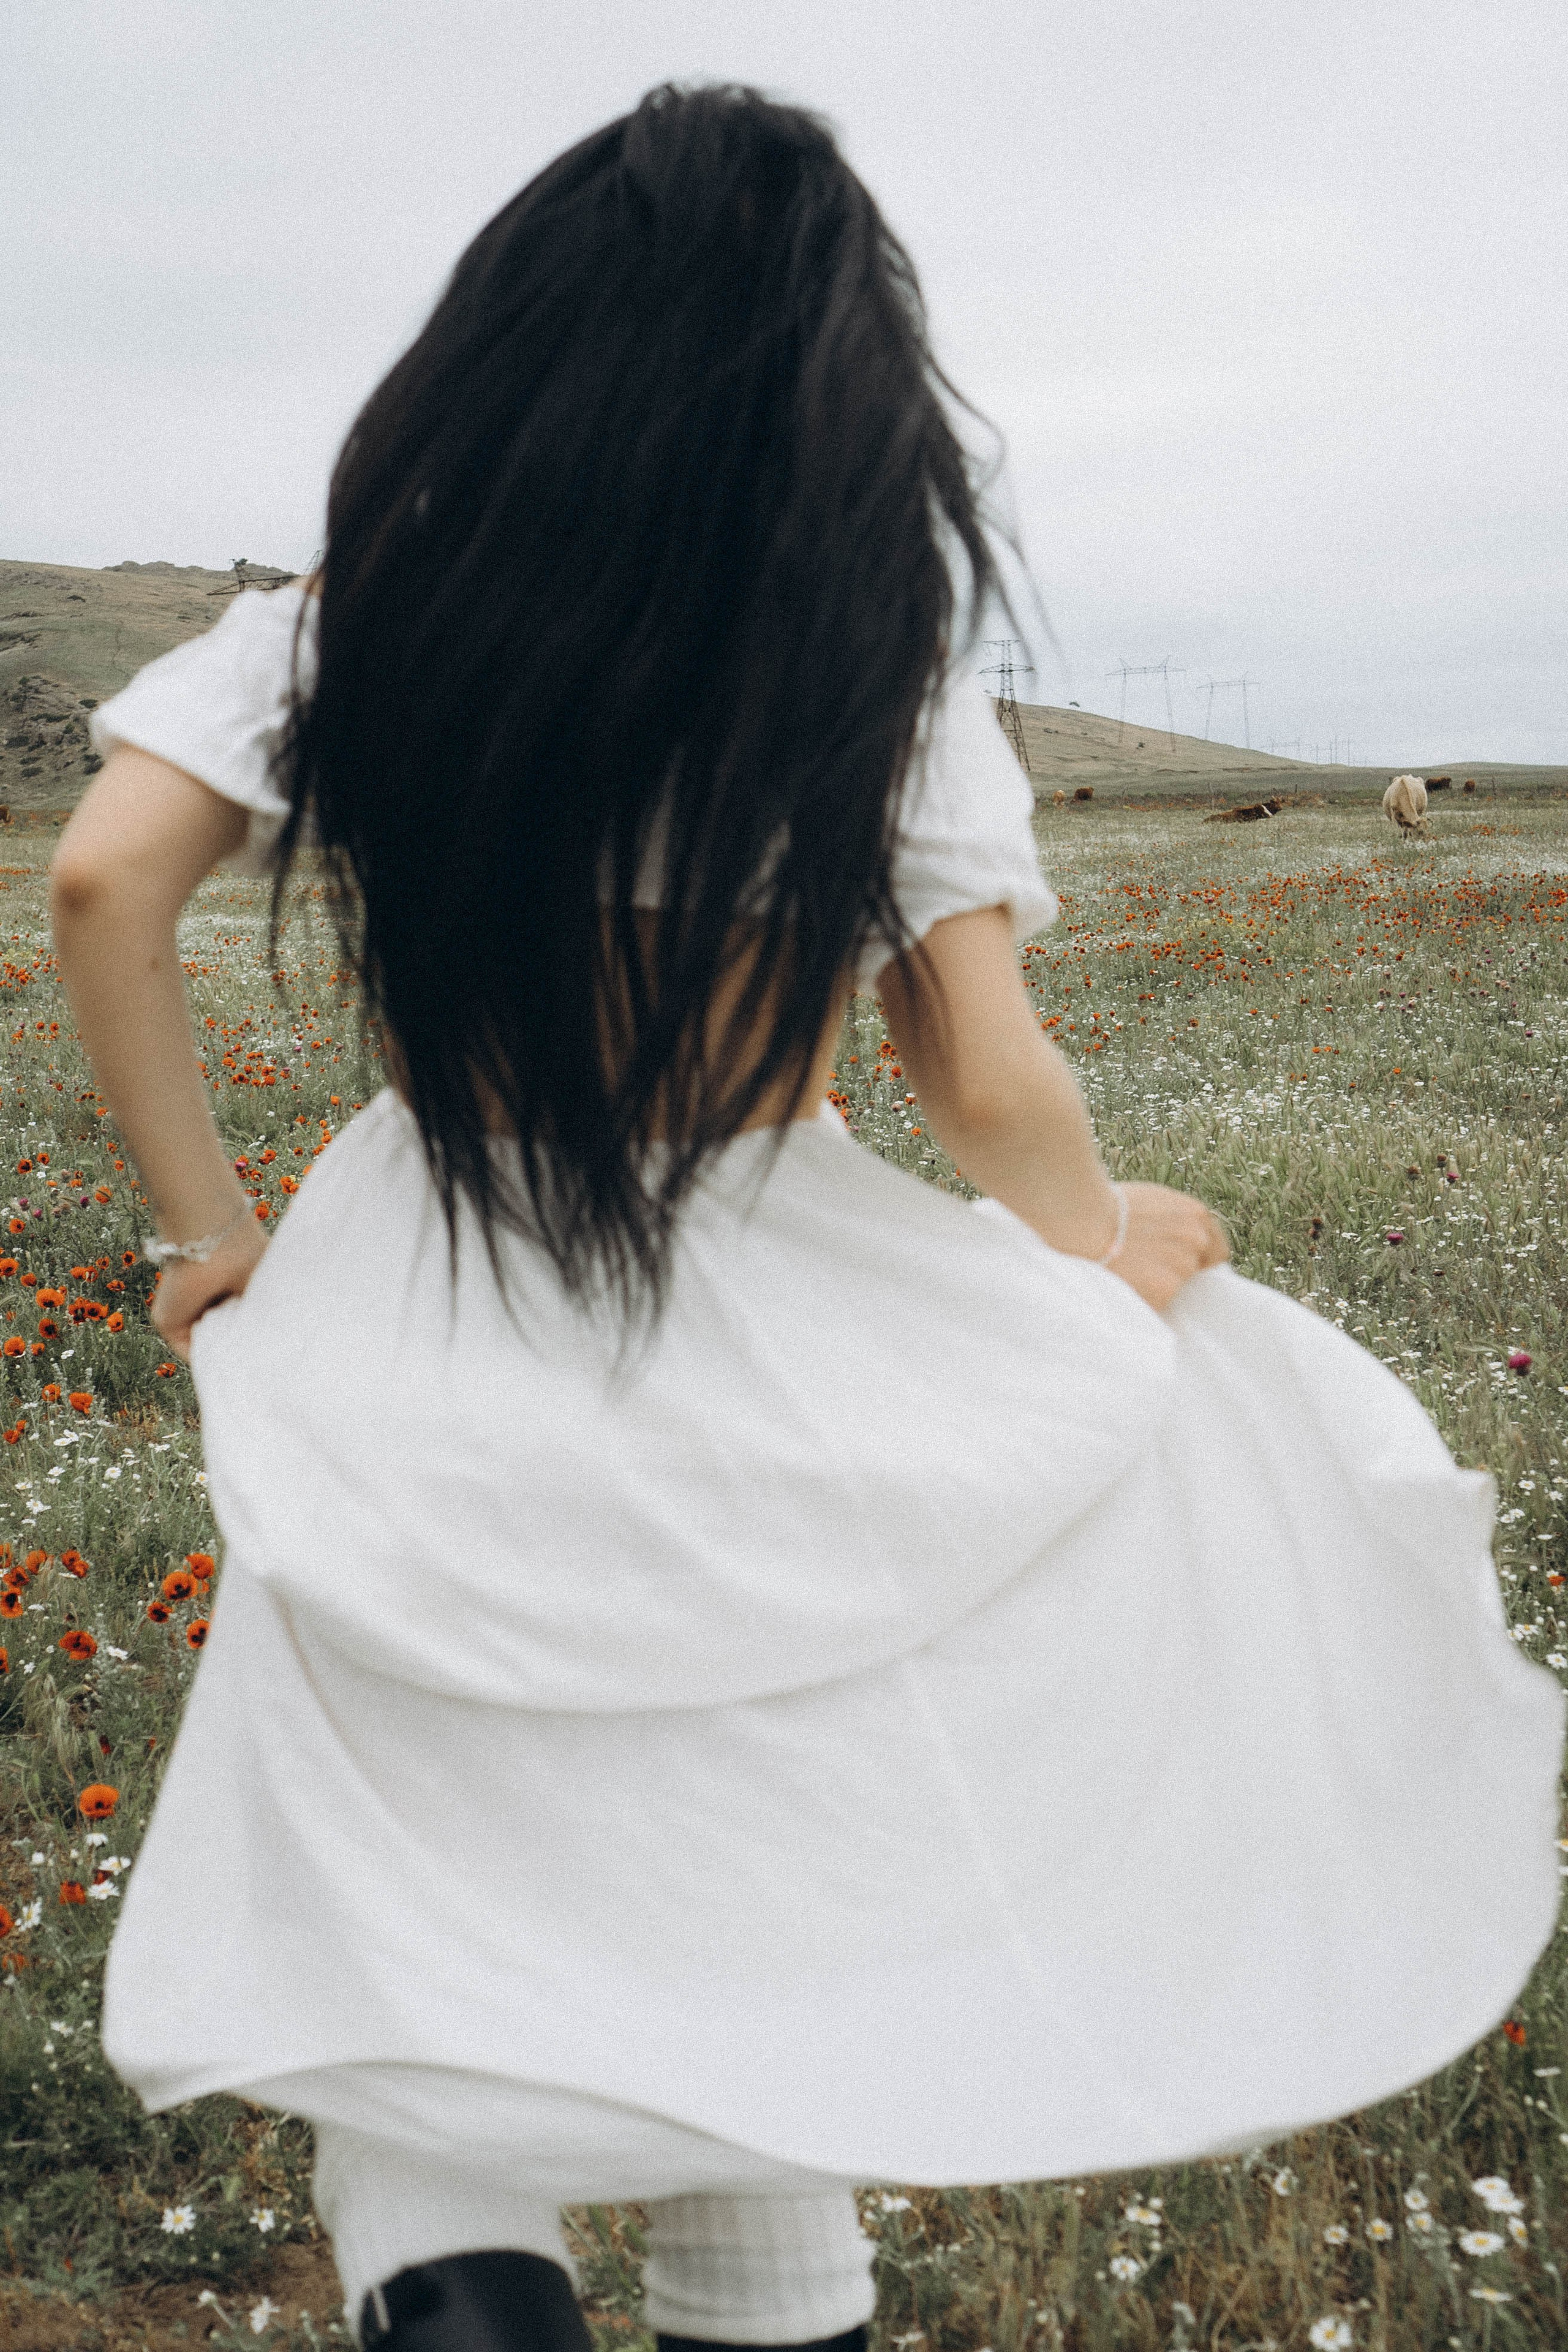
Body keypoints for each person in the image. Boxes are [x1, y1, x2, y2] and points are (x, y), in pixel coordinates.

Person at [52, 83, 1560, 2352]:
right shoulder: (876, 671)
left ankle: (457, 2271)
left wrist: (205, 1232)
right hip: (773, 1296)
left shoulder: (366, 621)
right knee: (754, 1916)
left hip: (425, 1280)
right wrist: (1087, 1269)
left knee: (424, 1919)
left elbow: (101, 886)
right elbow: (980, 1068)